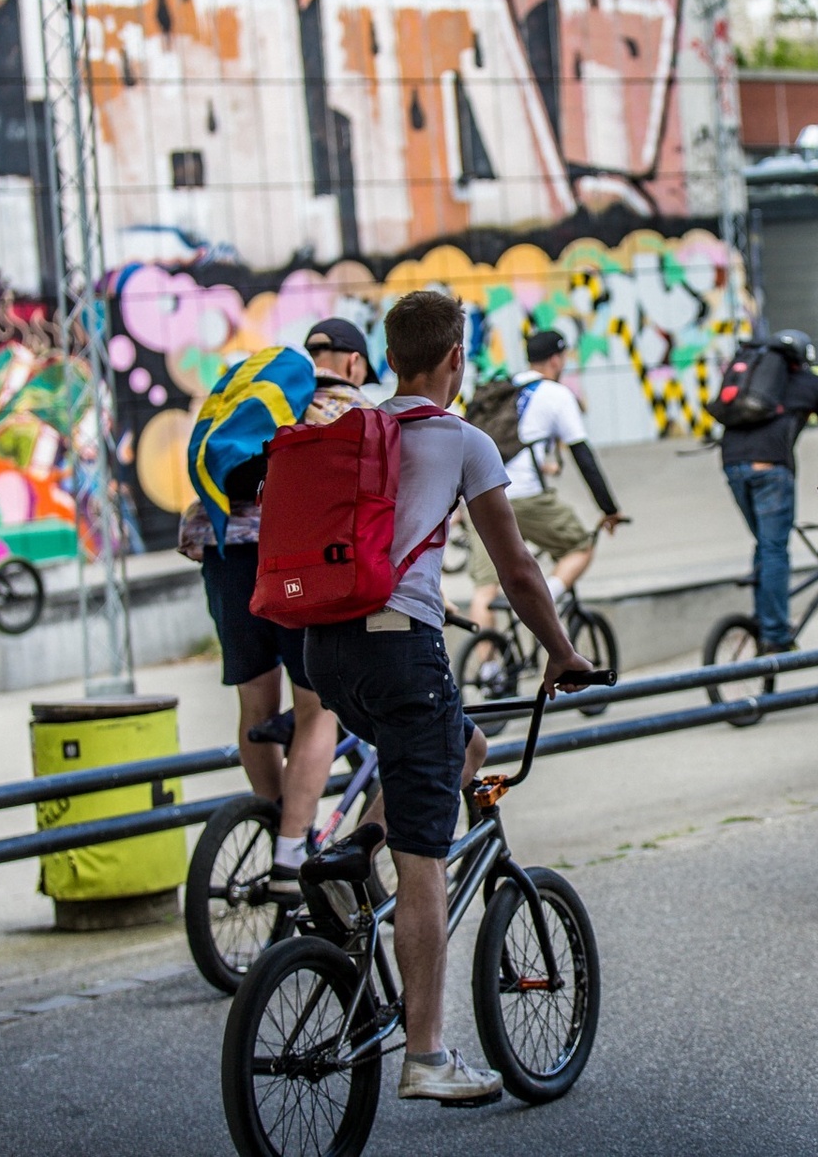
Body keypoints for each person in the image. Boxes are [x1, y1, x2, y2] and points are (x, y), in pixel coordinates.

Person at [305, 290, 594, 1103]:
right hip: (403, 647)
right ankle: (426, 1054)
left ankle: (347, 856)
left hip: (326, 650)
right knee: (426, 855)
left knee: (460, 748)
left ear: (391, 357)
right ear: (454, 361)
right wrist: (561, 651)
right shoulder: (461, 441)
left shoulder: (350, 427)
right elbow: (517, 569)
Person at [181, 320, 381, 899]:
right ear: (355, 364)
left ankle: (275, 818)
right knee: (317, 707)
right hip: (289, 560)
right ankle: (293, 855)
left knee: (254, 705)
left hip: (221, 551)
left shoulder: (258, 393)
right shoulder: (349, 403)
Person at [465, 328, 626, 630]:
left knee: (485, 590)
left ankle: (486, 670)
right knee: (580, 546)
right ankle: (545, 598)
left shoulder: (504, 390)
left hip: (480, 499)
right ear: (555, 359)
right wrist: (609, 509)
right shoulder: (556, 395)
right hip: (524, 498)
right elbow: (583, 457)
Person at [718, 328, 818, 652]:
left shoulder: (755, 380)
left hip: (732, 464)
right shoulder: (813, 383)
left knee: (765, 545)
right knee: (774, 549)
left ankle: (764, 615)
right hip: (771, 470)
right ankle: (776, 633)